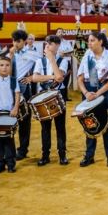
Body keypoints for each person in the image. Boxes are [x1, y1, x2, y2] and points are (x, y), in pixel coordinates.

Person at [77, 32, 108, 167]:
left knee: (105, 123)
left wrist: (98, 93)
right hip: (89, 90)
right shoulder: (86, 56)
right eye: (88, 41)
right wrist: (86, 92)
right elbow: (80, 78)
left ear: (100, 41)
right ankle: (89, 156)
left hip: (105, 90)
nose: (89, 43)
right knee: (89, 122)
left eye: (92, 40)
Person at [32, 35, 70, 166]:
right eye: (46, 43)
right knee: (45, 128)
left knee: (60, 126)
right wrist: (51, 76)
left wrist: (52, 60)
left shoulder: (63, 61)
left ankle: (62, 154)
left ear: (57, 46)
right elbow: (35, 78)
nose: (47, 46)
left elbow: (60, 77)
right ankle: (45, 155)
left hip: (58, 94)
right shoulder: (39, 61)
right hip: (43, 94)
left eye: (50, 44)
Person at [0, 56, 21, 173]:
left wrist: (15, 108)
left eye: (7, 65)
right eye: (1, 65)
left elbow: (17, 94)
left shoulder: (13, 80)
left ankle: (11, 163)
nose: (4, 68)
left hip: (9, 113)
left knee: (9, 138)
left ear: (10, 67)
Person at [7, 29, 38, 160]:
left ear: (24, 42)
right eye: (14, 41)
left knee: (24, 120)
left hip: (23, 86)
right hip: (9, 88)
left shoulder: (31, 54)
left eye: (18, 41)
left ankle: (23, 149)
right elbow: (5, 70)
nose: (15, 43)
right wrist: (11, 56)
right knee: (8, 118)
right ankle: (6, 148)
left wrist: (32, 77)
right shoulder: (10, 54)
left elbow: (43, 62)